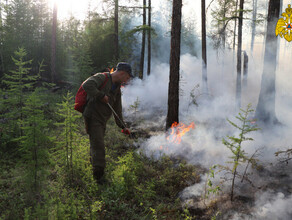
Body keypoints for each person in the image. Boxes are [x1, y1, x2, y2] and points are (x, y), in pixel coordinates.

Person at [82, 62, 133, 183]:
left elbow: (117, 109)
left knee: (96, 142)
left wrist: (122, 126)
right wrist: (100, 95)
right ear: (121, 73)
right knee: (98, 144)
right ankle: (98, 177)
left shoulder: (117, 87)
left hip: (102, 119)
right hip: (93, 116)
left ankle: (93, 166)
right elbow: (87, 85)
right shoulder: (102, 77)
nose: (126, 80)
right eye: (127, 77)